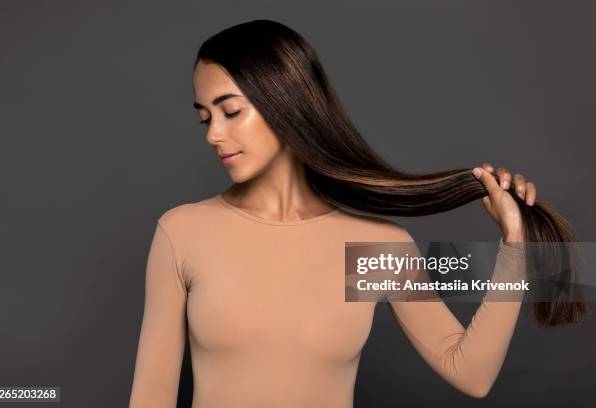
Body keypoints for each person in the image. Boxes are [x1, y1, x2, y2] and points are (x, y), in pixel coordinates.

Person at [128, 19, 586, 408]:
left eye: (230, 111)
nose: (214, 135)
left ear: (285, 104)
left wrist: (514, 246)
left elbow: (471, 374)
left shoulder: (372, 249)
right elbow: (150, 397)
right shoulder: (184, 232)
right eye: (206, 118)